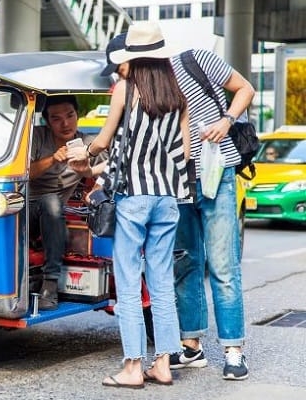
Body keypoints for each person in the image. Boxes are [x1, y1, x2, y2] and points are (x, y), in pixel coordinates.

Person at [78, 21, 191, 388]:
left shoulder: (126, 88)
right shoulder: (177, 94)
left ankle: (131, 367)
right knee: (161, 284)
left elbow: (106, 139)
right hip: (167, 199)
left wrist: (86, 153)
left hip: (135, 199)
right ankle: (163, 364)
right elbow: (186, 152)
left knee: (128, 283)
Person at [167, 30, 256, 380]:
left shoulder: (196, 60)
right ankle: (192, 347)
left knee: (223, 265)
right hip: (175, 183)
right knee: (186, 264)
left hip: (216, 173)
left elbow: (245, 87)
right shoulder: (145, 87)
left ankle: (234, 350)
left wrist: (227, 119)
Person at [29, 95, 106, 310]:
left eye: (70, 116)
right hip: (26, 209)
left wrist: (96, 187)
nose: (65, 123)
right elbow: (25, 173)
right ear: (47, 122)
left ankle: (50, 283)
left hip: (54, 210)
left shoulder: (88, 144)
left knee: (53, 203)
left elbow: (113, 165)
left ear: (77, 116)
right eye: (56, 119)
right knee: (50, 202)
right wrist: (53, 158)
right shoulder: (37, 136)